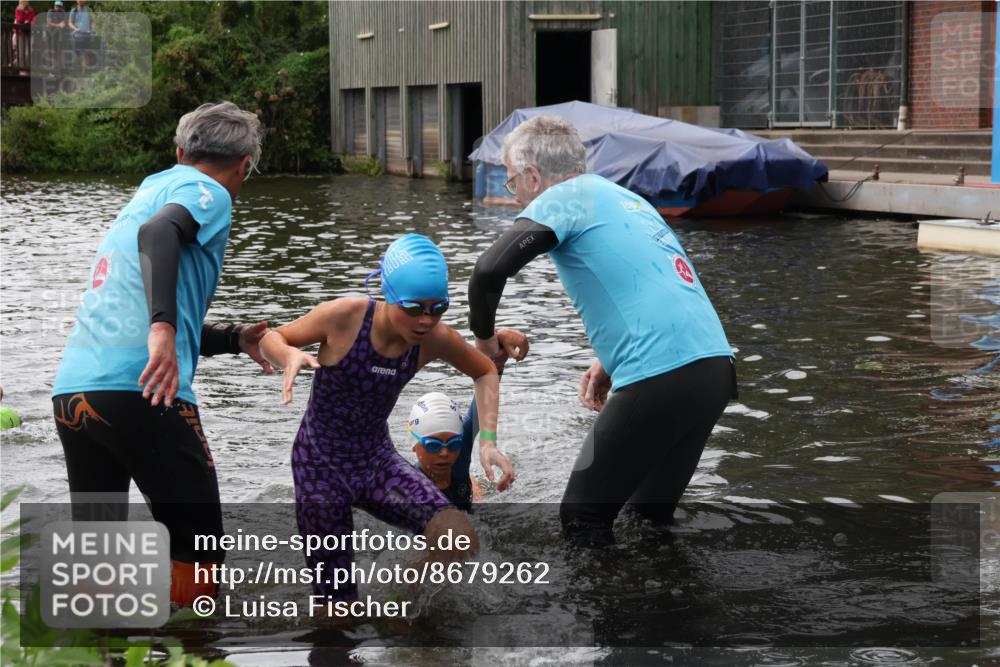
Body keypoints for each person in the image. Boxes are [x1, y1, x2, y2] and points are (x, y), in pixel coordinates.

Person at [467, 114, 738, 547]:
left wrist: (485, 346)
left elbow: (487, 270)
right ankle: (673, 610)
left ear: (534, 176)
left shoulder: (563, 197)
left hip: (660, 374)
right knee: (648, 520)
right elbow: (657, 282)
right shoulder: (628, 199)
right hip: (713, 370)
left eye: (512, 181)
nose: (514, 193)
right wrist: (608, 358)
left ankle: (600, 616)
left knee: (583, 518)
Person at [51, 101, 270, 607]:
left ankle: (96, 652)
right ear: (243, 166)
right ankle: (195, 652)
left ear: (179, 151)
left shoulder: (149, 188)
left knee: (96, 553)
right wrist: (163, 329)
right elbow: (160, 235)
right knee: (200, 545)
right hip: (141, 389)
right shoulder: (209, 191)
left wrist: (234, 337)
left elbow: (145, 283)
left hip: (75, 390)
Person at [260, 233, 521, 605]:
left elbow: (484, 371)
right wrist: (287, 355)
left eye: (438, 308)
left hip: (375, 462)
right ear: (388, 295)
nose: (426, 320)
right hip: (318, 467)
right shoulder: (346, 317)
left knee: (460, 539)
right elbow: (272, 336)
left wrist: (488, 440)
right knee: (338, 608)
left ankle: (402, 596)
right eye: (414, 308)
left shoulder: (433, 338)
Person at [406, 332, 526, 512]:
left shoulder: (461, 452)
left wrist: (498, 356)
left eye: (454, 444)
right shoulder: (409, 486)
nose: (445, 452)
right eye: (432, 445)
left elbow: (480, 407)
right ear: (414, 444)